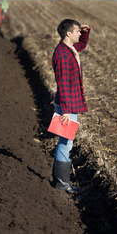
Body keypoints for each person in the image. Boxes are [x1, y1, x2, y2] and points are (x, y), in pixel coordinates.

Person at [51, 19, 90, 194]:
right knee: (65, 142)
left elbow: (81, 45)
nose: (79, 34)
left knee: (66, 141)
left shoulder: (69, 49)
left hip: (70, 103)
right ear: (68, 34)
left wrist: (86, 32)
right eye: (77, 31)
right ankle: (62, 184)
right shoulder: (63, 55)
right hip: (67, 105)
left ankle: (60, 181)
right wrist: (66, 111)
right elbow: (63, 84)